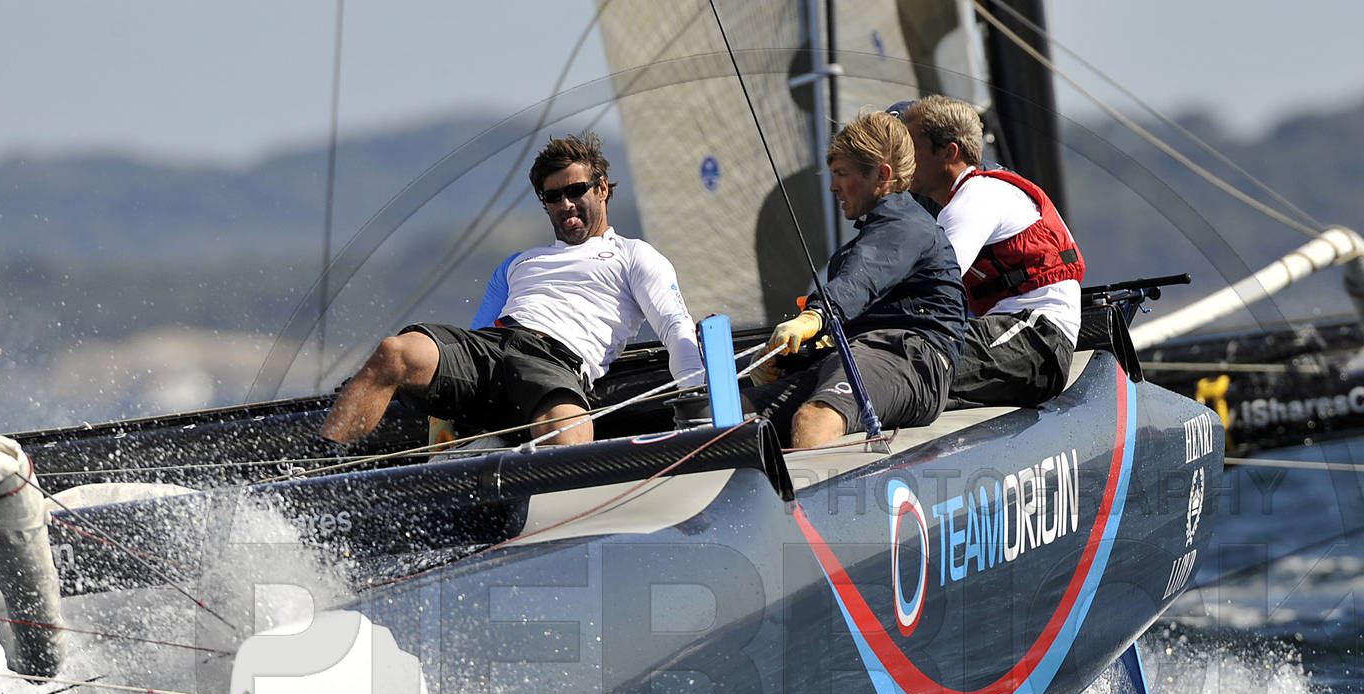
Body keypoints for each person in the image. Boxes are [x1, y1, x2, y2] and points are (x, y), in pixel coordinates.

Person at [321, 132, 703, 447]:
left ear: (601, 188)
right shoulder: (518, 263)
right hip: (493, 347)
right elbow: (478, 333)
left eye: (575, 190)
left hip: (555, 362)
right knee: (395, 351)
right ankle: (315, 474)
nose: (565, 204)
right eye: (553, 197)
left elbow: (675, 326)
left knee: (568, 438)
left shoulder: (633, 255)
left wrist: (698, 400)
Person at [749, 112, 968, 448]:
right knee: (732, 415)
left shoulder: (906, 226)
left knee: (813, 419)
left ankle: (809, 485)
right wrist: (786, 358)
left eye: (841, 173)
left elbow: (860, 281)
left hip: (913, 357)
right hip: (861, 352)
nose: (833, 186)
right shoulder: (866, 241)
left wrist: (814, 316)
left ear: (882, 174)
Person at [896, 95, 1085, 407]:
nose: (903, 158)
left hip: (1038, 340)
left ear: (949, 152)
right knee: (892, 355)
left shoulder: (976, 198)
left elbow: (928, 288)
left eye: (912, 148)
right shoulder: (966, 200)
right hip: (1017, 336)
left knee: (900, 360)